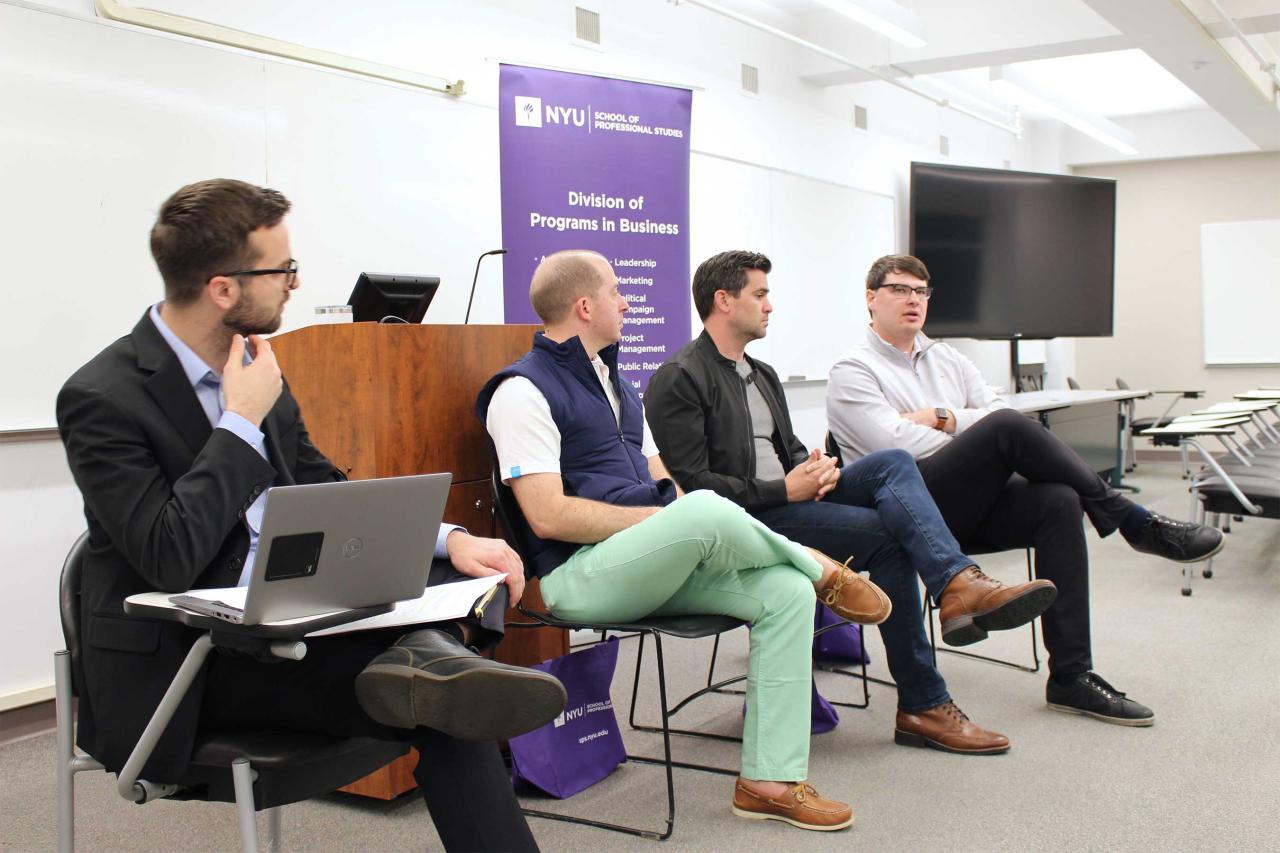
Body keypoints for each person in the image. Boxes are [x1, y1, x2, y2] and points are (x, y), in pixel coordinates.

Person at [55, 179, 566, 852]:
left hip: (299, 624)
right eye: (283, 269)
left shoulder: (258, 366)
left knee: (443, 630)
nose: (295, 283)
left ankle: (432, 665)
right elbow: (168, 552)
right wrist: (239, 421)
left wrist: (452, 539)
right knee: (438, 697)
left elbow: (326, 490)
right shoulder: (100, 397)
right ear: (223, 289)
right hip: (192, 663)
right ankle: (435, 667)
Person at [477, 249, 892, 833]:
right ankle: (822, 567)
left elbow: (660, 475)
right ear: (584, 305)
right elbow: (545, 517)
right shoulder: (520, 392)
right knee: (704, 513)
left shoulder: (617, 384)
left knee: (784, 590)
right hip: (572, 577)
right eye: (616, 291)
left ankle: (767, 781)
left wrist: (667, 513)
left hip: (646, 561)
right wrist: (665, 521)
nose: (626, 302)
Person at [646, 250, 1057, 755]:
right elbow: (699, 492)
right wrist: (786, 490)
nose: (770, 306)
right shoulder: (680, 377)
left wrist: (817, 470)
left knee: (891, 462)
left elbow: (788, 451)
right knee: (891, 537)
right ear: (724, 301)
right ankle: (926, 697)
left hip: (791, 498)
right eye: (760, 294)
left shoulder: (763, 373)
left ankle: (956, 585)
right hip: (747, 520)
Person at [827, 253, 1225, 727]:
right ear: (871, 298)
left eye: (922, 291)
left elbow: (994, 409)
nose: (913, 300)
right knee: (1006, 432)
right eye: (899, 289)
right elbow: (897, 446)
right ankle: (1132, 521)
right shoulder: (852, 370)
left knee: (1059, 500)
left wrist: (945, 418)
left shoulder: (948, 358)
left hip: (964, 503)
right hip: (907, 512)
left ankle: (1072, 677)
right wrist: (977, 441)